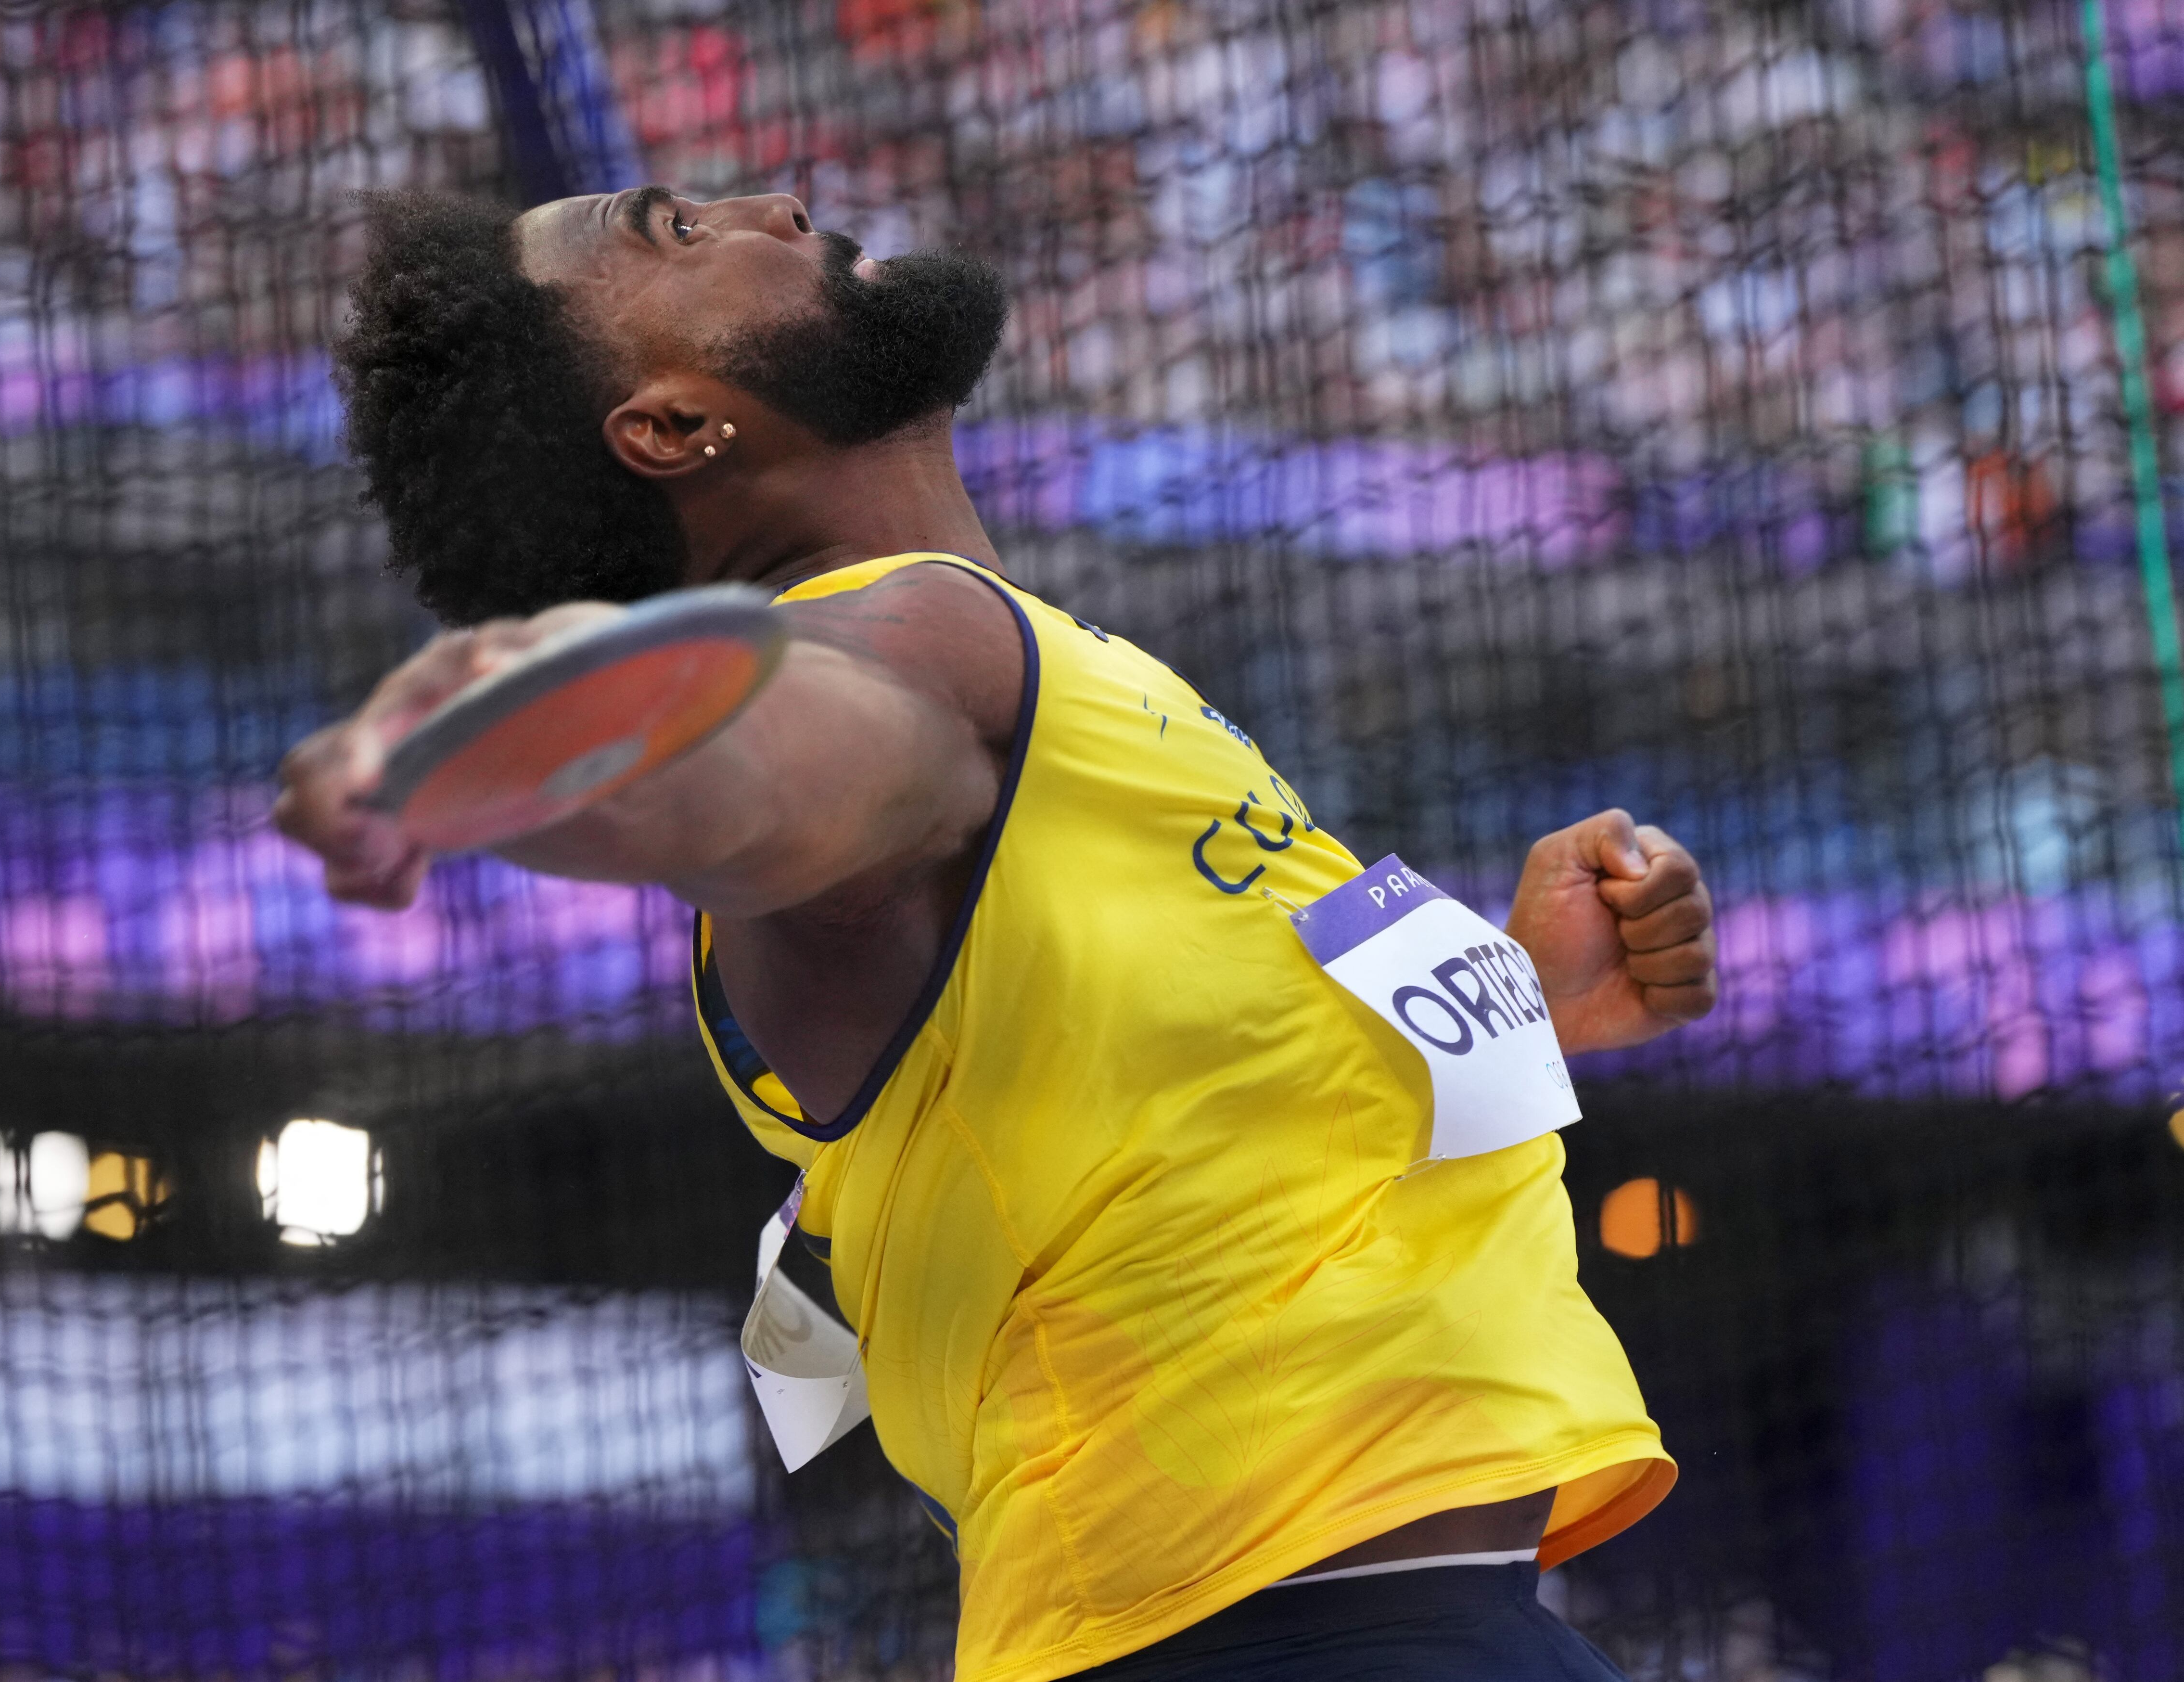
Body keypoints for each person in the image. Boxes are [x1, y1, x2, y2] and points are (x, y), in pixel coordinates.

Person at [276, 186, 1718, 1682]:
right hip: (1288, 1637)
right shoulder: (914, 643)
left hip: (1354, 1619)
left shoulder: (1040, 675)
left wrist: (1534, 999)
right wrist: (525, 752)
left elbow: (1180, 1102)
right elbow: (780, 755)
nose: (769, 201)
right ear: (671, 427)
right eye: (674, 232)